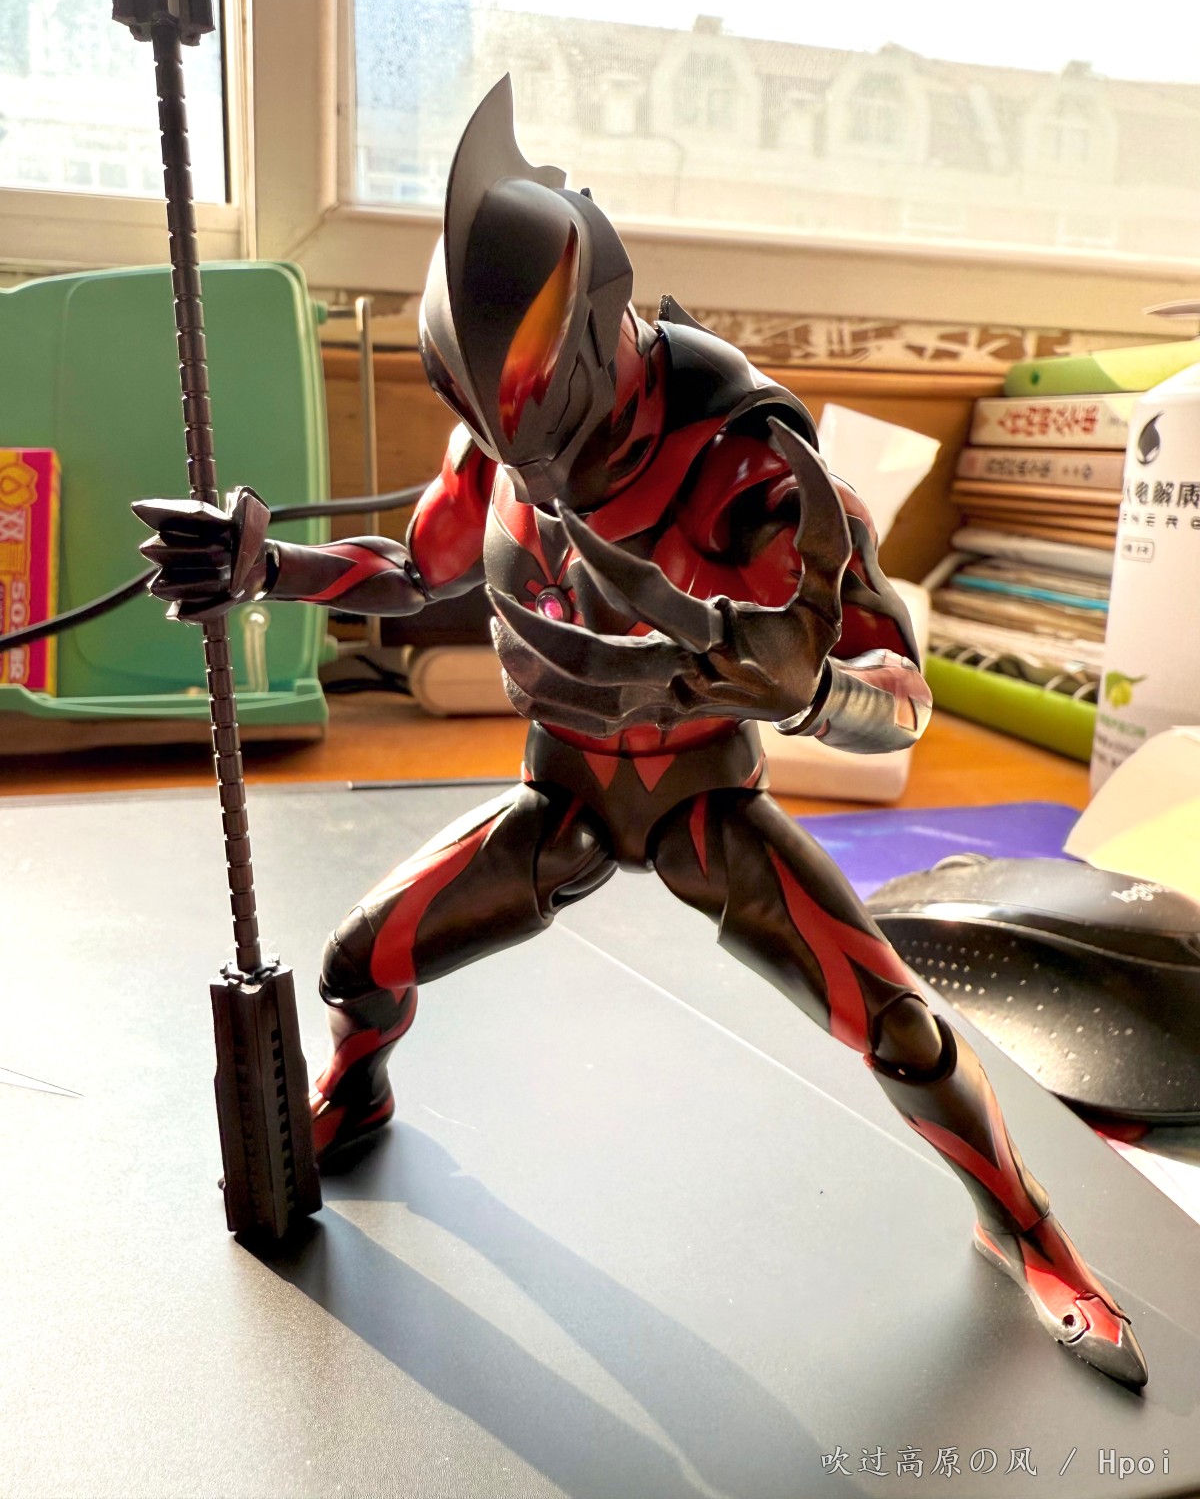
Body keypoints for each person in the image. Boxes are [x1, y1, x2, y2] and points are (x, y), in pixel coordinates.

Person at [135, 77, 1146, 1388]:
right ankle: (360, 1091)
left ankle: (1031, 1231)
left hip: (704, 811)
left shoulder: (755, 469)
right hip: (556, 797)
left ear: (610, 343)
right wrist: (268, 569)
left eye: (557, 442)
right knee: (354, 967)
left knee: (903, 1032)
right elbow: (414, 572)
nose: (539, 479)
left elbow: (903, 690)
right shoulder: (500, 449)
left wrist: (801, 689)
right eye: (506, 447)